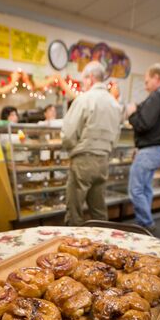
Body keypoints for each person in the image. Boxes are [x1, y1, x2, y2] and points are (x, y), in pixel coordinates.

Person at [61, 61, 122, 226]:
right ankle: (102, 245)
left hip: (83, 160)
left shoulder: (84, 100)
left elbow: (68, 134)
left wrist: (73, 150)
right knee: (99, 209)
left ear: (90, 78)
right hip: (103, 160)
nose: (83, 84)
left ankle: (73, 247)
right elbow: (116, 137)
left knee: (74, 209)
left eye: (83, 80)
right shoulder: (115, 104)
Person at [127, 63, 160, 229]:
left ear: (156, 78)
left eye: (147, 81)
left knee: (135, 190)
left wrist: (132, 113)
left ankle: (146, 224)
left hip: (148, 150)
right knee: (146, 188)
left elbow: (143, 124)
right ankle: (145, 222)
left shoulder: (158, 96)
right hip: (158, 150)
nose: (145, 85)